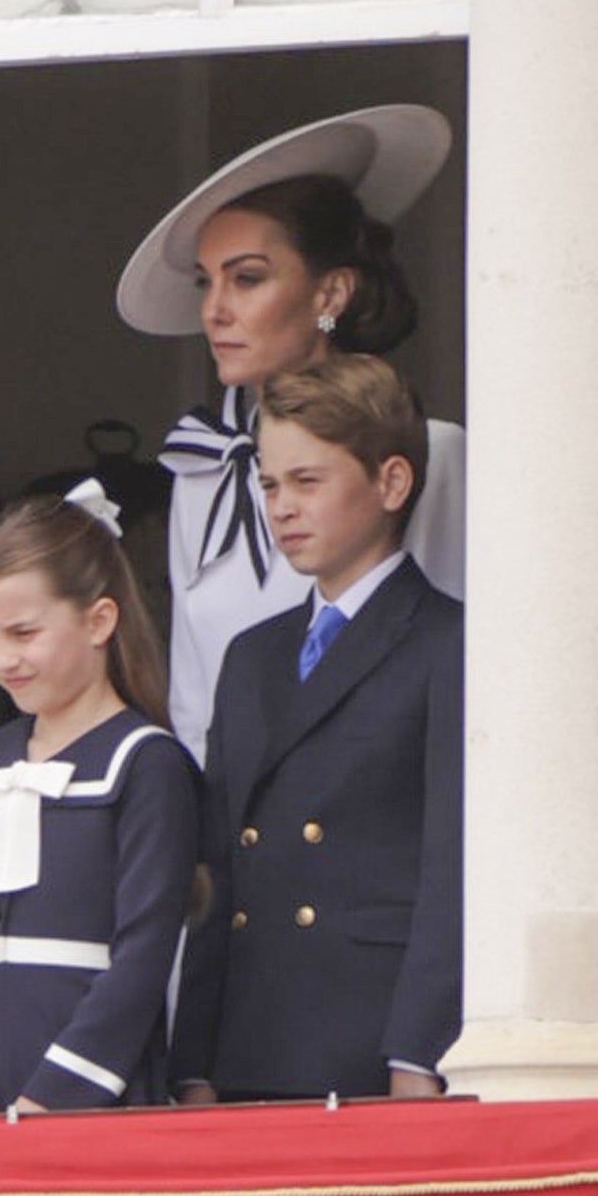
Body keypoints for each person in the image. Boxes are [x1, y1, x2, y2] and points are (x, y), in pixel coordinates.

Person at [117, 104, 466, 766]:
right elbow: (195, 700)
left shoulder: (433, 452)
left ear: (331, 294)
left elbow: (459, 666)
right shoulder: (203, 469)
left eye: (247, 278)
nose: (215, 309)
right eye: (205, 281)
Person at [171, 354, 462, 1103]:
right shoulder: (251, 656)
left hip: (369, 1038)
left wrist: (418, 1053)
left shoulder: (448, 643)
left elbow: (450, 869)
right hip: (250, 1037)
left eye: (308, 482)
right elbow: (216, 871)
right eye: (268, 485)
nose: (280, 508)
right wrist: (194, 1060)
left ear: (391, 483)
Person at [0, 480, 200, 1114]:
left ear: (99, 621)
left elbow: (143, 957)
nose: (2, 659)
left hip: (92, 1105)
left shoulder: (145, 763)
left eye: (23, 633)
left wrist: (50, 1102)